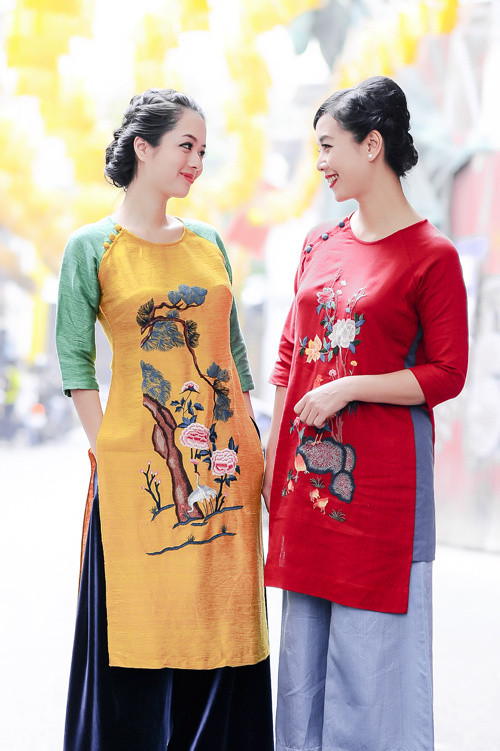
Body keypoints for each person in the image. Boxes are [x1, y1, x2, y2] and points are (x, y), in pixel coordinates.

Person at [56, 88, 273, 751]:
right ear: (142, 148)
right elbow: (74, 359)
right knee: (141, 623)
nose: (197, 162)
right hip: (134, 466)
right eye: (186, 146)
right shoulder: (92, 247)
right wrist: (107, 451)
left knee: (223, 618)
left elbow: (234, 354)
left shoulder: (209, 243)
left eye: (203, 150)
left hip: (225, 461)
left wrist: (255, 447)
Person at [263, 76, 468, 751]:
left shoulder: (432, 256)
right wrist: (272, 462)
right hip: (307, 489)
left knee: (371, 675)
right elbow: (290, 354)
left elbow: (447, 373)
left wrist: (351, 387)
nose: (320, 162)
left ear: (372, 145)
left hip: (382, 494)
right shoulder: (317, 243)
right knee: (302, 672)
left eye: (329, 146)